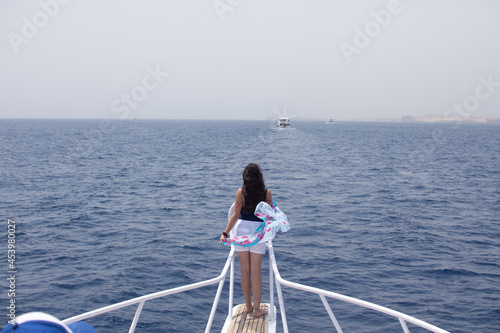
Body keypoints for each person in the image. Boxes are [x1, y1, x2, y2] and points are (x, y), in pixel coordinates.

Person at [219, 163, 272, 317]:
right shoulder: (266, 193)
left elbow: (235, 215)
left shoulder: (241, 193)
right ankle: (257, 310)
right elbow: (269, 217)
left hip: (241, 231)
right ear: (260, 177)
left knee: (244, 271)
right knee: (256, 273)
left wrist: (225, 233)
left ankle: (248, 306)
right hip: (257, 233)